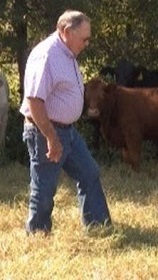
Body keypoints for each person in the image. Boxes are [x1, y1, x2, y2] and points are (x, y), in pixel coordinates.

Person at [19, 10, 111, 235]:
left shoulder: (67, 53)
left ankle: (97, 226)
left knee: (89, 172)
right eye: (84, 38)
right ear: (66, 31)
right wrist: (51, 138)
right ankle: (38, 233)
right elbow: (34, 100)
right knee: (45, 187)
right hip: (46, 131)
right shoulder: (47, 56)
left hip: (67, 131)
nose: (87, 43)